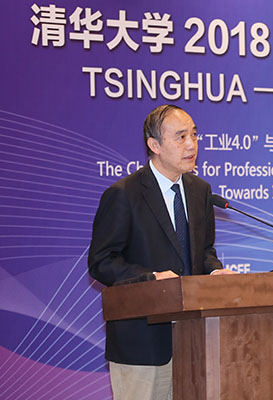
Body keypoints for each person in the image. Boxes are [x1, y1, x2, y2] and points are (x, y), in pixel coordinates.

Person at [88, 104, 235, 400]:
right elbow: (101, 262)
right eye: (180, 137)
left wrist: (214, 272)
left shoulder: (200, 191)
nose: (191, 144)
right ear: (154, 145)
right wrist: (151, 278)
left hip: (194, 341)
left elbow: (204, 251)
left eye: (194, 135)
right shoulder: (124, 194)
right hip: (142, 345)